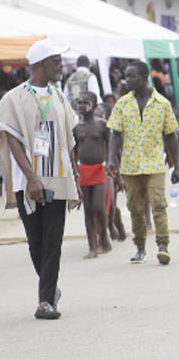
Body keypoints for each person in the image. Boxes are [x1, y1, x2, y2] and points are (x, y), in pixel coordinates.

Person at [0, 39, 81, 320]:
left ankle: (45, 301)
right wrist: (32, 178)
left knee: (53, 240)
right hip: (27, 180)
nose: (61, 67)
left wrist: (74, 177)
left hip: (57, 177)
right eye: (57, 61)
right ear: (43, 64)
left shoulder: (58, 95)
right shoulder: (14, 98)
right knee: (35, 241)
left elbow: (69, 138)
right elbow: (12, 141)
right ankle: (49, 288)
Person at [107, 60, 179, 265]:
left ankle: (162, 246)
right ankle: (140, 247)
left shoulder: (162, 104)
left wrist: (177, 166)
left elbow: (171, 136)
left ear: (143, 78)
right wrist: (110, 160)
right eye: (126, 76)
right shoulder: (123, 103)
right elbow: (115, 134)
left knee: (158, 204)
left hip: (155, 164)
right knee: (135, 208)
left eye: (131, 76)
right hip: (130, 166)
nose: (126, 80)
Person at [73, 92, 113, 259]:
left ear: (95, 105)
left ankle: (104, 236)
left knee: (99, 207)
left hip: (99, 170)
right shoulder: (76, 128)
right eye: (79, 102)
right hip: (83, 171)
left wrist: (111, 165)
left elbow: (111, 146)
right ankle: (92, 246)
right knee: (88, 209)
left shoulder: (103, 125)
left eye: (86, 102)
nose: (82, 105)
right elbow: (73, 152)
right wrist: (74, 171)